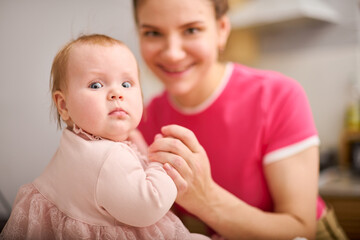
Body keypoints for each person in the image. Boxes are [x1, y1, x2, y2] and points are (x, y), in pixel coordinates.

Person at [132, 0, 349, 239]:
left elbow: (300, 228)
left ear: (222, 30)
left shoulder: (278, 96)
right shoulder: (143, 120)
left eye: (192, 30)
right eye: (153, 33)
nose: (172, 53)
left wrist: (205, 199)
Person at [0, 34, 210, 240]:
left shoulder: (77, 142)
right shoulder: (109, 157)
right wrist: (160, 165)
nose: (116, 94)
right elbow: (149, 205)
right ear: (64, 105)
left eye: (126, 84)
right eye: (96, 85)